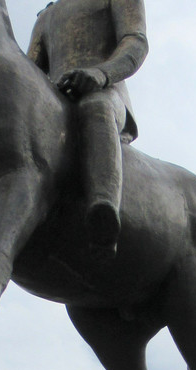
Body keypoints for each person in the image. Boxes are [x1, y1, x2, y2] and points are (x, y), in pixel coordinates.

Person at [27, 0, 148, 257]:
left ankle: (103, 209)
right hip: (57, 100)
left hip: (105, 93)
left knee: (95, 106)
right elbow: (30, 72)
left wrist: (101, 74)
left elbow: (135, 42)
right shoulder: (46, 16)